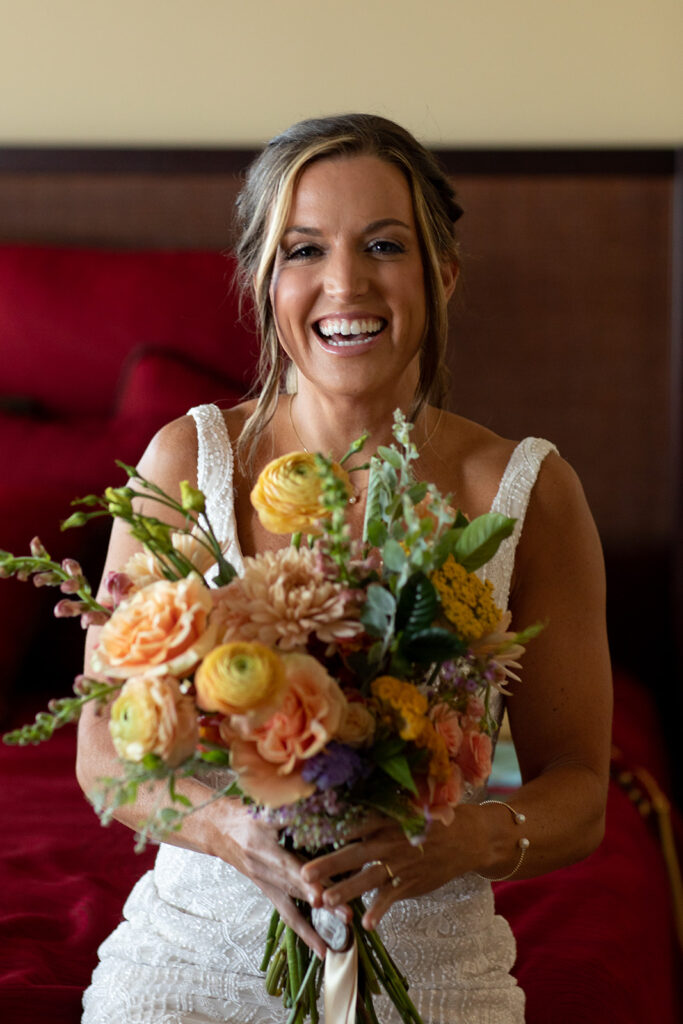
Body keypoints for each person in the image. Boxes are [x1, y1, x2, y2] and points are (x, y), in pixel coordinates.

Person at [77, 113, 612, 1023]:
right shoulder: (186, 463)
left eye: (384, 245)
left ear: (441, 275)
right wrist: (228, 830)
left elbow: (582, 792)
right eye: (303, 249)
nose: (345, 283)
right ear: (261, 282)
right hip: (193, 960)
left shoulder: (528, 491)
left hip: (437, 964)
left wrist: (466, 837)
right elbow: (101, 753)